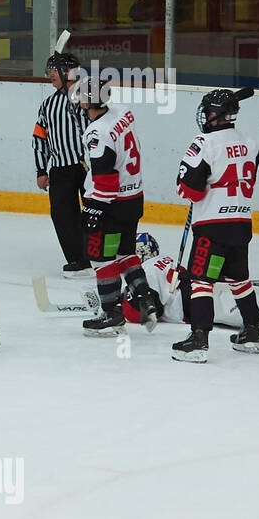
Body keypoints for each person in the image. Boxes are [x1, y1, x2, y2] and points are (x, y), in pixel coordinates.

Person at [171, 87, 259, 363]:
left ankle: (198, 339)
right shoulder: (251, 142)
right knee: (239, 278)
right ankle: (253, 331)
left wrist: (193, 191)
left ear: (217, 114)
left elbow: (190, 189)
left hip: (211, 228)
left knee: (201, 280)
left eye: (209, 111)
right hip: (240, 225)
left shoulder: (203, 143)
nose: (205, 116)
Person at [75, 68, 161, 337]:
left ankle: (112, 315)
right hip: (133, 199)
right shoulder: (122, 112)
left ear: (90, 103)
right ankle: (145, 298)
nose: (80, 103)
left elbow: (106, 180)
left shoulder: (96, 132)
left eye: (83, 99)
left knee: (101, 259)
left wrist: (94, 210)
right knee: (125, 253)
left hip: (111, 204)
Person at [123, 233, 259, 334]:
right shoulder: (164, 259)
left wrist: (122, 302)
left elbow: (150, 310)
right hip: (198, 282)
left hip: (189, 302)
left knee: (229, 303)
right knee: (239, 288)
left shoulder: (144, 270)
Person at [34, 51, 93, 277]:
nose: (50, 75)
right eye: (49, 71)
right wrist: (41, 169)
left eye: (54, 71)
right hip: (60, 168)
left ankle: (97, 256)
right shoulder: (48, 105)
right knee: (62, 214)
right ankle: (77, 260)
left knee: (94, 213)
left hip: (89, 168)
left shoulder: (88, 95)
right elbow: (40, 137)